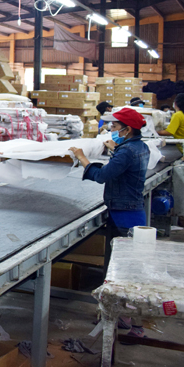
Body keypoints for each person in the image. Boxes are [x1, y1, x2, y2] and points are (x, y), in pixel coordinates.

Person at [69, 107, 150, 339]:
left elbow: (103, 176)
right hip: (129, 210)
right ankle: (123, 318)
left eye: (114, 127)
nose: (110, 129)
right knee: (122, 269)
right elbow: (125, 161)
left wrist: (83, 158)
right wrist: (115, 149)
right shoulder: (138, 147)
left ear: (127, 129)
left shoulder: (127, 152)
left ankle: (136, 327)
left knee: (126, 272)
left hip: (125, 215)